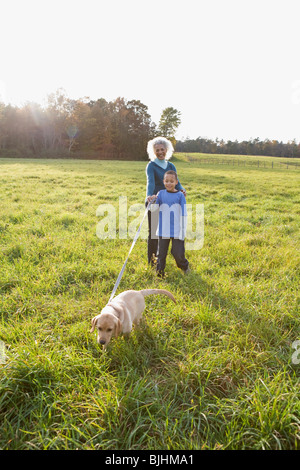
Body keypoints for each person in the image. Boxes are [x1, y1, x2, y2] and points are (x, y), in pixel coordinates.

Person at [145, 136, 186, 265]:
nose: (160, 152)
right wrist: (149, 196)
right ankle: (152, 261)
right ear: (153, 151)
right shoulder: (151, 166)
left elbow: (177, 183)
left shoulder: (171, 165)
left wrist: (183, 190)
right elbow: (150, 182)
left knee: (169, 232)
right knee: (154, 233)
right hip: (156, 201)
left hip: (171, 203)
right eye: (157, 150)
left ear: (167, 150)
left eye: (162, 149)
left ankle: (166, 258)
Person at [153, 170, 190, 278]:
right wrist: (151, 200)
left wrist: (183, 231)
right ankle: (159, 274)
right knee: (161, 254)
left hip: (177, 230)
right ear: (163, 181)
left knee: (177, 253)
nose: (169, 183)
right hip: (163, 230)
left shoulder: (180, 195)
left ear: (176, 182)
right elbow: (154, 208)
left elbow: (184, 213)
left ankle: (184, 266)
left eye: (171, 181)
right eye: (167, 181)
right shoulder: (161, 194)